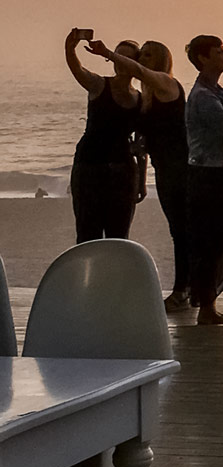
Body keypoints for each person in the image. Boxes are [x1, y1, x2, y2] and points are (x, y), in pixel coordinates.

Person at [87, 39, 191, 311]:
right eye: (141, 55)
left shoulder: (167, 84)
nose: (142, 60)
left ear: (160, 60)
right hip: (164, 169)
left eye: (148, 55)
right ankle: (188, 289)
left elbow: (141, 73)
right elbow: (143, 143)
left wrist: (108, 54)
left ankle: (183, 291)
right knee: (178, 229)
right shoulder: (148, 98)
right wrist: (141, 177)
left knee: (182, 230)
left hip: (181, 169)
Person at [185, 35, 223, 325]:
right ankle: (207, 307)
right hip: (210, 174)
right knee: (211, 240)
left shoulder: (219, 93)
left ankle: (209, 305)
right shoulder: (204, 97)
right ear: (203, 58)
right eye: (219, 51)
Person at [64, 29, 142, 243]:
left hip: (123, 173)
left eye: (126, 57)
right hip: (89, 168)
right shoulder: (99, 85)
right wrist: (70, 49)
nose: (119, 61)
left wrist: (142, 181)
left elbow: (140, 145)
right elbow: (78, 69)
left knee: (119, 236)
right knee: (88, 234)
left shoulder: (140, 99)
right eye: (115, 55)